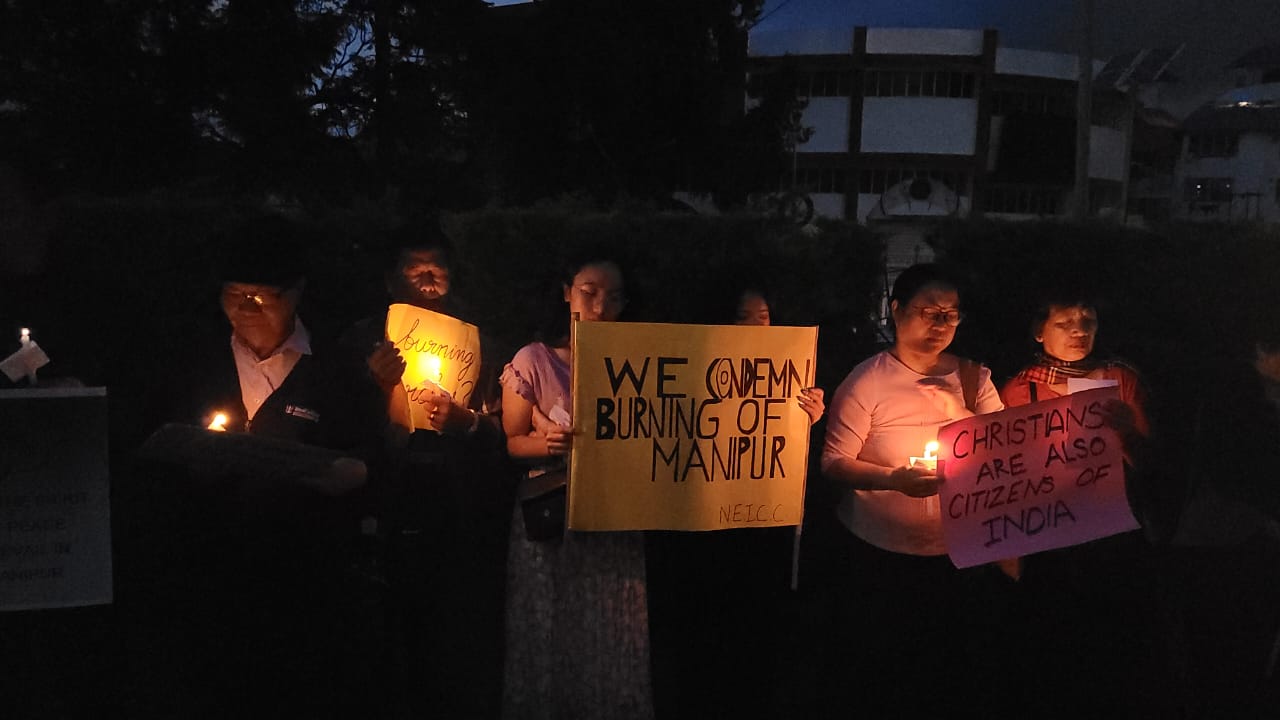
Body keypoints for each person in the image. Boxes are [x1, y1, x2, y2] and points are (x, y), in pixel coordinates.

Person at [338, 221, 510, 719]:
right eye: (416, 273)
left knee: (452, 639)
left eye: (438, 271)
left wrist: (468, 423)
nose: (429, 282)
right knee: (385, 640)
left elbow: (501, 427)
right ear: (391, 280)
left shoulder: (477, 341)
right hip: (385, 504)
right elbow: (336, 420)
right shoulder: (361, 341)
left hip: (456, 509)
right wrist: (374, 387)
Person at [817, 263, 1005, 718]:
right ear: (897, 312)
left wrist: (959, 408)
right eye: (929, 311)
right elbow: (833, 462)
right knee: (877, 670)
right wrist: (893, 480)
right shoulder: (868, 380)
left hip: (953, 555)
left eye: (951, 313)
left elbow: (1004, 449)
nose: (941, 324)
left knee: (942, 672)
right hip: (878, 555)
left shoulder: (974, 379)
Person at [997, 292, 1175, 719]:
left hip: (1111, 533)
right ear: (1039, 332)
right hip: (1048, 537)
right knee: (1051, 641)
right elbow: (1004, 472)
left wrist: (1128, 433)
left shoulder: (1121, 379)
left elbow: (1150, 462)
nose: (1079, 330)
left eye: (1088, 321)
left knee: (1109, 642)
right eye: (1065, 323)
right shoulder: (1021, 387)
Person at [500, 255, 654, 720]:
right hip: (553, 518)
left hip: (614, 518)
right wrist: (546, 442)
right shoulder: (536, 359)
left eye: (614, 295)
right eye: (589, 291)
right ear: (567, 291)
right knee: (550, 622)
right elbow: (512, 441)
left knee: (612, 628)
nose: (601, 305)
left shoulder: (642, 361)